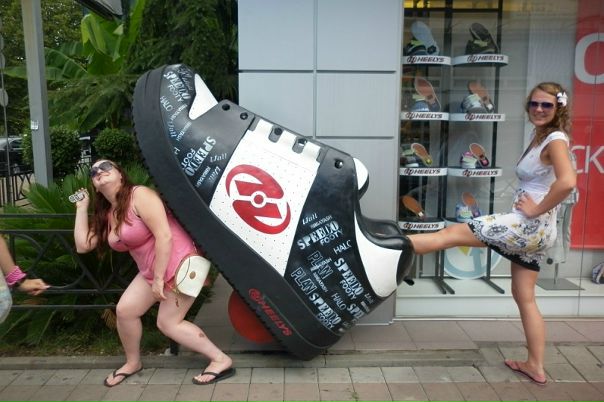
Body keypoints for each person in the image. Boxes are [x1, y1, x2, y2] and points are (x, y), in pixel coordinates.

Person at [408, 82, 576, 385]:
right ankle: (535, 366)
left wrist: (536, 209)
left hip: (527, 226)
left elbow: (567, 182)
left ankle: (379, 248)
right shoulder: (542, 137)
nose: (539, 109)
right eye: (534, 104)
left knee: (451, 234)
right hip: (538, 231)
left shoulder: (555, 139)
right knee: (524, 296)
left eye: (547, 105)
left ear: (558, 108)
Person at [73, 159, 234, 387]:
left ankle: (220, 360)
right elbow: (83, 245)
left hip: (181, 265)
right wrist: (81, 208)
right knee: (125, 311)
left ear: (120, 174)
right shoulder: (109, 214)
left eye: (106, 167)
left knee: (168, 323)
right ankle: (133, 363)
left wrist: (159, 280)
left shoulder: (140, 195)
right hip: (152, 270)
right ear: (95, 186)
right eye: (93, 172)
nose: (99, 171)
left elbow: (164, 235)